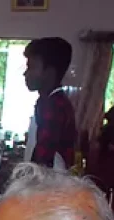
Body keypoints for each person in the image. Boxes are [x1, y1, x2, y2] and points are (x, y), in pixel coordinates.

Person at [23, 37, 77, 169]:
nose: (25, 73)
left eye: (31, 67)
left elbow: (44, 157)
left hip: (48, 184)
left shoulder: (53, 106)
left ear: (49, 73)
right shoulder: (49, 101)